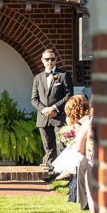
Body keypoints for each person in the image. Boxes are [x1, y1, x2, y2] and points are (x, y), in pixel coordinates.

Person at [31, 47, 74, 178]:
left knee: (60, 145)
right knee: (48, 147)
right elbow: (34, 99)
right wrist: (45, 110)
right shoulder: (38, 78)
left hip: (59, 116)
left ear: (56, 60)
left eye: (52, 59)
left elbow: (69, 95)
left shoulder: (63, 75)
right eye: (47, 59)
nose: (49, 62)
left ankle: (63, 172)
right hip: (43, 118)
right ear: (42, 60)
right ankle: (50, 172)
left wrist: (54, 108)